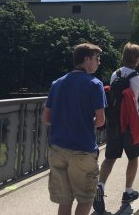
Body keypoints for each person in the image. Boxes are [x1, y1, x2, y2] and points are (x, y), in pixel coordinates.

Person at [42, 43, 106, 215]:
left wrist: (65, 121)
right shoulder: (95, 84)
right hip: (82, 150)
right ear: (86, 59)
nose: (98, 62)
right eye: (96, 58)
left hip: (57, 149)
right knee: (85, 199)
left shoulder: (57, 83)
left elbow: (46, 118)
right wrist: (85, 121)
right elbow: (100, 121)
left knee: (64, 200)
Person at [93, 42, 139, 213]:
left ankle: (100, 187)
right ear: (137, 60)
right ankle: (128, 192)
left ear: (123, 56)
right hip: (130, 126)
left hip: (114, 125)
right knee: (133, 157)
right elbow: (138, 103)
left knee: (110, 157)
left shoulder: (114, 75)